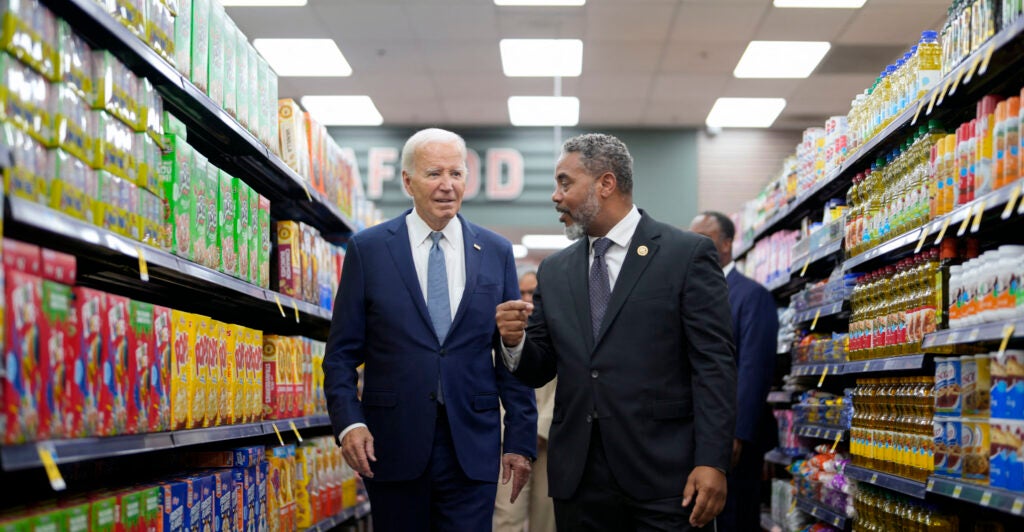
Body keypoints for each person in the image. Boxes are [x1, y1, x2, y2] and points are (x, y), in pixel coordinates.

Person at [495, 133, 737, 531]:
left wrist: (712, 460)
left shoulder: (685, 255)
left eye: (565, 182)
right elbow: (539, 368)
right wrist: (514, 341)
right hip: (580, 480)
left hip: (664, 478)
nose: (556, 196)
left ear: (606, 184)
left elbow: (714, 366)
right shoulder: (555, 271)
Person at [323, 128, 538, 531]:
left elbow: (510, 354)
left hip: (472, 444)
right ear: (407, 181)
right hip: (392, 444)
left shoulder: (494, 252)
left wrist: (520, 440)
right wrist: (349, 423)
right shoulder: (368, 250)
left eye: (456, 174)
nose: (447, 186)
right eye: (434, 173)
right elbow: (341, 356)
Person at [689, 211, 779, 532]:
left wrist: (737, 432)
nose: (694, 244)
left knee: (735, 516)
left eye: (705, 237)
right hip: (700, 432)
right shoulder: (692, 291)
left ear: (727, 244)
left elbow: (754, 369)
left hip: (737, 438)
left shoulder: (751, 295)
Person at [494, 271, 557, 532]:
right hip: (509, 440)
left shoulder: (556, 330)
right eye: (521, 293)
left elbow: (566, 385)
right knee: (507, 515)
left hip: (549, 441)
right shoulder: (498, 333)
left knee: (546, 516)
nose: (526, 299)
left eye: (532, 293)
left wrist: (540, 430)